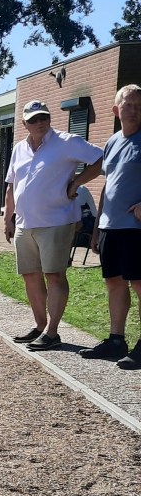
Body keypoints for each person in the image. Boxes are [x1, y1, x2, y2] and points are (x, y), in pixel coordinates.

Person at [2, 99, 103, 351]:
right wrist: (8, 218)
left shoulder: (67, 142)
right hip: (24, 224)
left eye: (44, 117)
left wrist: (76, 182)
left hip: (56, 221)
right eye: (34, 119)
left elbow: (101, 159)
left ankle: (52, 332)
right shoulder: (19, 148)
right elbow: (12, 186)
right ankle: (39, 326)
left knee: (54, 275)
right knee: (30, 275)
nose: (40, 123)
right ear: (24, 123)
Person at [79, 84, 141, 368]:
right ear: (116, 110)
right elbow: (108, 185)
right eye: (128, 105)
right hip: (109, 227)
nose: (134, 110)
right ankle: (116, 340)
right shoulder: (112, 142)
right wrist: (96, 227)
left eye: (139, 105)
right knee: (114, 282)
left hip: (135, 228)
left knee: (139, 283)